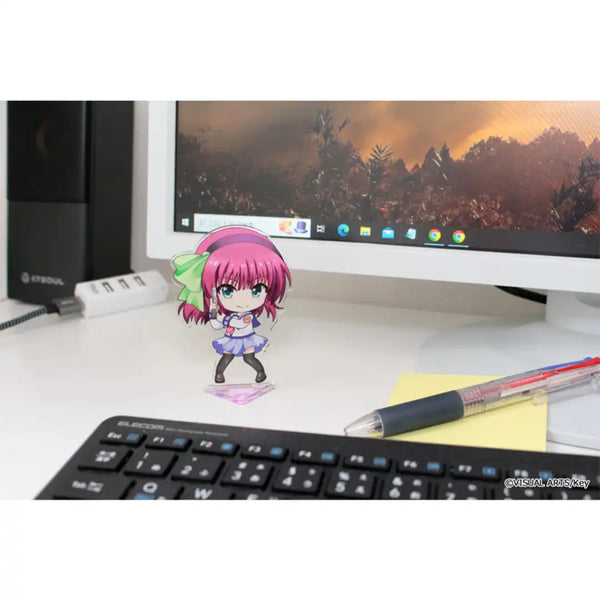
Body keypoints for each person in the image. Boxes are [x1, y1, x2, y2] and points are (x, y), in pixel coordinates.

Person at [173, 226, 291, 383]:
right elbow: (216, 326)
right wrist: (213, 313)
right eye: (228, 290)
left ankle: (261, 374)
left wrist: (221, 318)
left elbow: (238, 324)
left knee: (249, 358)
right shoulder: (227, 314)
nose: (243, 300)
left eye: (257, 290)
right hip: (231, 339)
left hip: (247, 339)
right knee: (226, 358)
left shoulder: (247, 317)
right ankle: (219, 376)